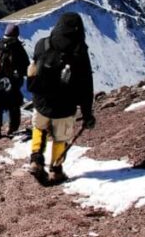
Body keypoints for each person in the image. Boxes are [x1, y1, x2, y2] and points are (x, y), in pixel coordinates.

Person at [27, 12, 95, 184]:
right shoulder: (79, 52)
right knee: (60, 138)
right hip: (65, 105)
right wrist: (87, 114)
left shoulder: (42, 44)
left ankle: (36, 159)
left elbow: (34, 67)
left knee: (39, 128)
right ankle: (56, 171)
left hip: (41, 100)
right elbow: (86, 84)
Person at [0, 24, 29, 139]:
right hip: (12, 82)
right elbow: (26, 65)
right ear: (16, 35)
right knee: (14, 106)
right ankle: (12, 129)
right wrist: (20, 77)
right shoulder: (18, 48)